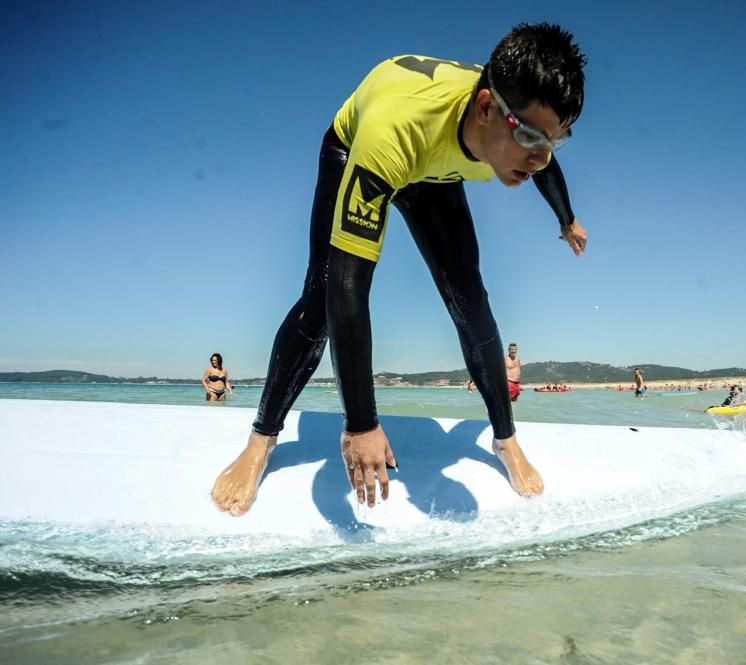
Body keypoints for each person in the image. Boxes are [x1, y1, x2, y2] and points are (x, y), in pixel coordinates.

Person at [211, 23, 588, 515]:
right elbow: (349, 286)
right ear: (485, 109)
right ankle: (261, 439)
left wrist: (567, 218)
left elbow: (542, 153)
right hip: (366, 144)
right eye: (533, 138)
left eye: (556, 141)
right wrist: (362, 423)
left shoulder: (514, 127)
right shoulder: (393, 134)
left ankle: (505, 438)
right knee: (322, 294)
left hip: (435, 162)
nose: (540, 158)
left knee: (470, 301)